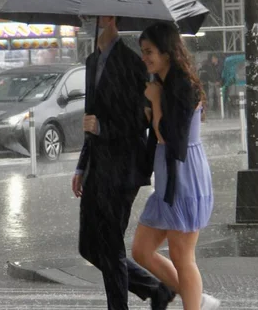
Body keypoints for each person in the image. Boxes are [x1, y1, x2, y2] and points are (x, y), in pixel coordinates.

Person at [72, 16, 176, 310]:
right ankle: (156, 290)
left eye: (88, 16)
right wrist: (82, 165)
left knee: (111, 246)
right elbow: (90, 116)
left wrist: (103, 128)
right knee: (89, 246)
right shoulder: (93, 60)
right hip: (97, 167)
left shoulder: (131, 62)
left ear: (107, 18)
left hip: (122, 168)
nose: (83, 22)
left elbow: (138, 121)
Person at [132, 22, 220, 310]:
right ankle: (196, 297)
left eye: (149, 52)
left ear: (167, 52)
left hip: (184, 177)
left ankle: (195, 302)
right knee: (141, 251)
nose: (144, 58)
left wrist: (156, 101)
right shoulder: (163, 83)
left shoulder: (182, 86)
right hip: (167, 179)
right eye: (142, 52)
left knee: (183, 258)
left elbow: (169, 137)